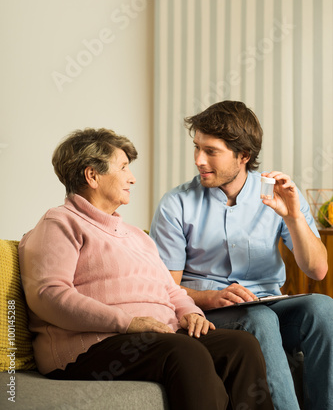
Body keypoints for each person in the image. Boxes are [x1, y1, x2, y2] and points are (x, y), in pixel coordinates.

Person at [18, 127, 274, 410]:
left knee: (240, 346)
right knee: (184, 351)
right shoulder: (60, 223)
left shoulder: (137, 235)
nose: (132, 178)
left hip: (154, 336)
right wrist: (127, 322)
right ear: (92, 175)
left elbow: (168, 288)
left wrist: (190, 312)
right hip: (90, 347)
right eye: (124, 167)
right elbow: (49, 295)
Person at [150, 101, 333, 410]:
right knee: (258, 318)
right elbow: (164, 288)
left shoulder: (277, 194)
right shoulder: (176, 203)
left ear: (243, 156)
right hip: (210, 313)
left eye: (211, 151)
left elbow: (317, 270)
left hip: (269, 305)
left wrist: (293, 217)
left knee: (322, 307)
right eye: (197, 148)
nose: (198, 160)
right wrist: (210, 298)